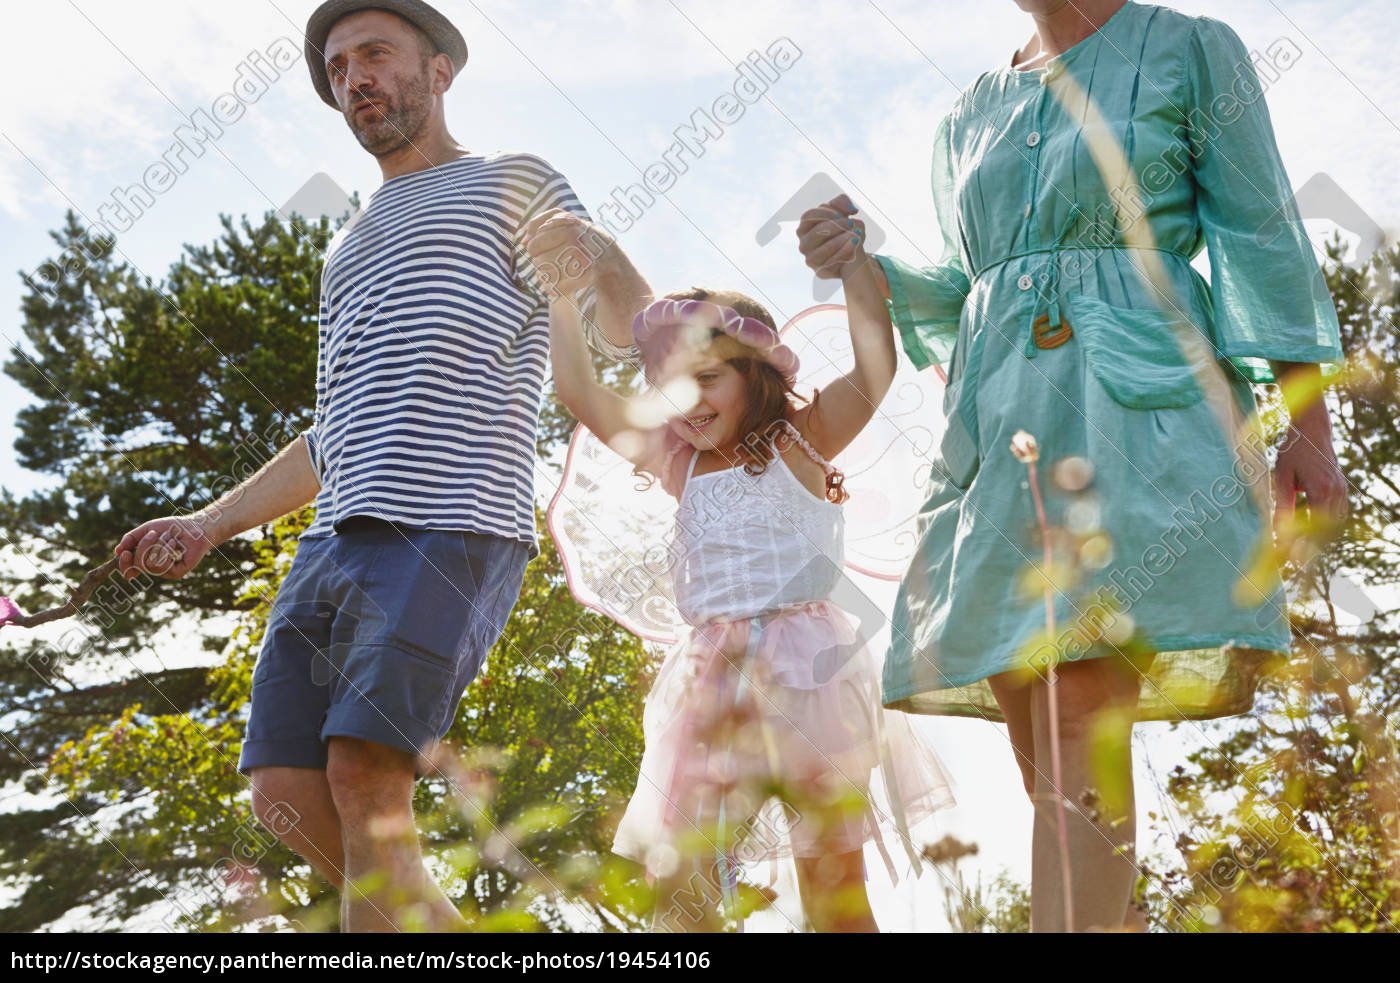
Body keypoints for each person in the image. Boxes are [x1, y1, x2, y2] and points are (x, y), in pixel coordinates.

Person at [796, 0, 1347, 932]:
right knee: (1038, 732)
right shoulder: (970, 111)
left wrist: (1305, 424)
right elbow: (973, 284)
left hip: (1139, 410)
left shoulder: (1191, 50)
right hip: (997, 424)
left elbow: (1261, 234)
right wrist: (864, 265)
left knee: (1078, 704)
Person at [112, 0, 652, 932]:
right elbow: (331, 433)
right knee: (283, 790)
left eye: (374, 54)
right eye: (337, 69)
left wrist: (598, 253)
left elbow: (625, 325)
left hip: (450, 525)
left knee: (366, 774)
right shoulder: (346, 248)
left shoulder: (512, 181)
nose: (353, 78)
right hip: (332, 541)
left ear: (440, 69)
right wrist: (205, 524)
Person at [531, 208, 954, 932]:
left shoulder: (805, 437)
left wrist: (854, 266)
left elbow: (877, 365)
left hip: (812, 673)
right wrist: (561, 295)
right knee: (687, 880)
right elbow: (579, 392)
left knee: (833, 880)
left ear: (755, 373)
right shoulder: (678, 464)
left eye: (707, 376)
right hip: (710, 683)